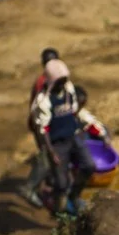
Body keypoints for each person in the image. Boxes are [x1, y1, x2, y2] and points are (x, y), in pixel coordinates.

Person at [29, 58, 100, 216]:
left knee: (89, 166)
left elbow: (75, 111)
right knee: (61, 182)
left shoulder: (68, 90)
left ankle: (74, 196)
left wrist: (88, 129)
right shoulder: (44, 101)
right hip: (58, 143)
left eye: (64, 80)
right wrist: (51, 151)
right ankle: (58, 209)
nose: (63, 83)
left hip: (74, 137)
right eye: (59, 81)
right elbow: (43, 128)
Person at [23, 47, 61, 205]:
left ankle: (47, 188)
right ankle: (29, 188)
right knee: (46, 158)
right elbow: (40, 109)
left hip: (48, 125)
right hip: (43, 126)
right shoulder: (43, 82)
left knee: (52, 158)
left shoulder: (53, 79)